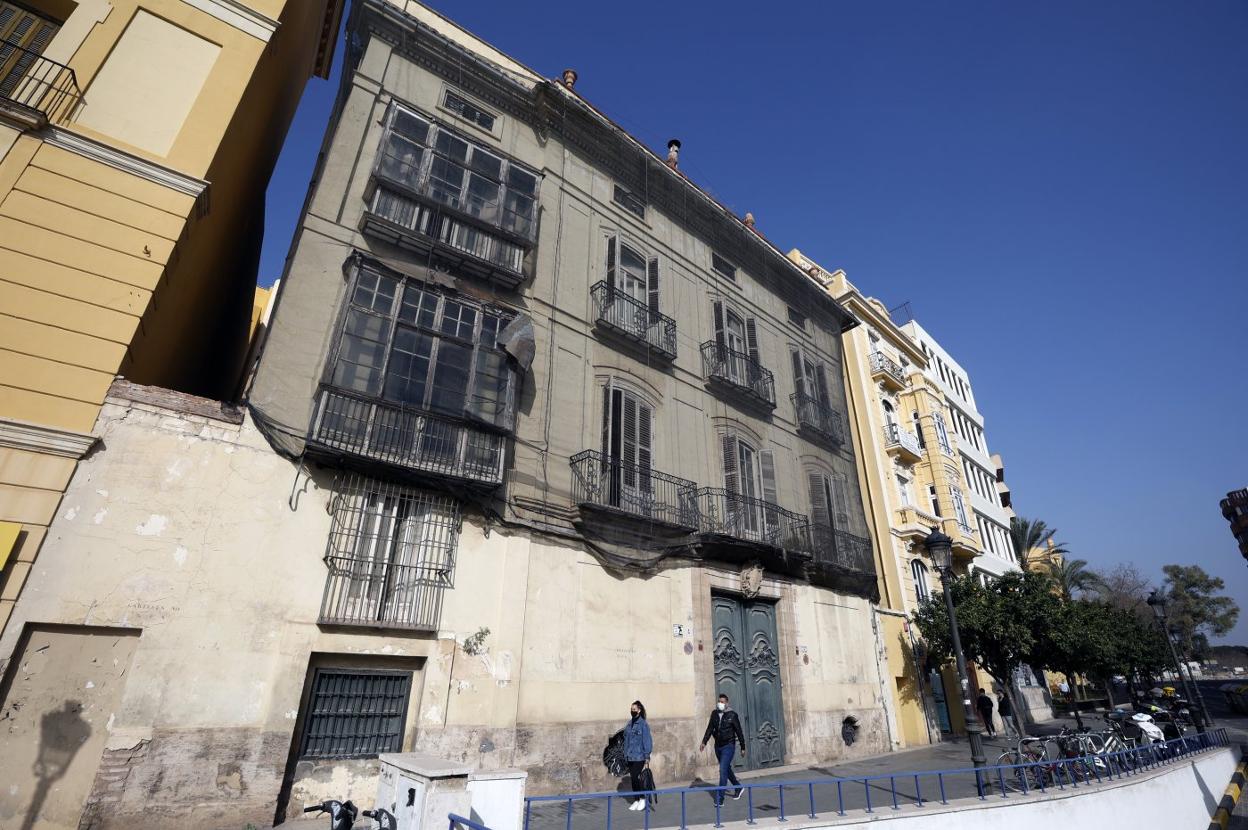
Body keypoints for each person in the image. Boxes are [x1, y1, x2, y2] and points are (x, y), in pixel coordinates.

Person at [700, 693, 747, 806]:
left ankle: (720, 798)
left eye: (722, 702)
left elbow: (739, 731)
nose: (720, 704)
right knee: (726, 768)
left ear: (727, 703)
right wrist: (704, 742)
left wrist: (743, 746)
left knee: (722, 770)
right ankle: (738, 787)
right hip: (718, 746)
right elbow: (710, 728)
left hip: (729, 745)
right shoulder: (714, 714)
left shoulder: (732, 715)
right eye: (719, 701)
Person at [623, 700, 653, 811]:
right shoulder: (629, 724)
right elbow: (626, 741)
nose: (632, 711)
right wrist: (625, 754)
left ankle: (643, 799)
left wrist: (647, 756)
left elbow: (647, 741)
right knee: (633, 778)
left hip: (640, 756)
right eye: (631, 709)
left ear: (639, 710)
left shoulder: (643, 724)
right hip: (630, 756)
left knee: (636, 777)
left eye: (634, 709)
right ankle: (636, 800)